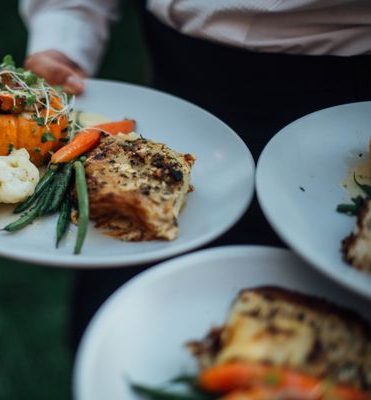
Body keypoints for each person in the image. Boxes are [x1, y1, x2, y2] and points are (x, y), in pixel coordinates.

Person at [19, 0, 371, 348]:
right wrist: (64, 38)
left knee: (299, 341)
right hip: (173, 96)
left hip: (337, 134)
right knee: (125, 336)